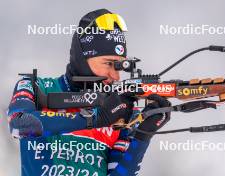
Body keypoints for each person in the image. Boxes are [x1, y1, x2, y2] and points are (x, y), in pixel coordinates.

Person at [7, 9, 170, 176]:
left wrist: (142, 137)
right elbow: (18, 125)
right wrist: (95, 119)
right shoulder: (36, 87)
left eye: (120, 66)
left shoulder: (121, 109)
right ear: (82, 58)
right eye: (109, 64)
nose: (116, 75)